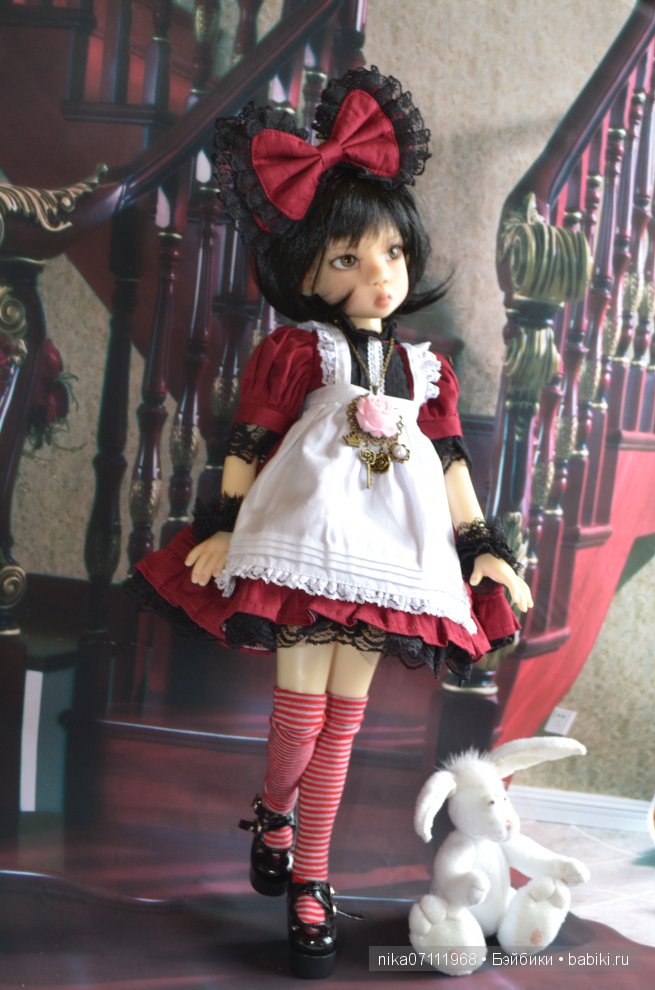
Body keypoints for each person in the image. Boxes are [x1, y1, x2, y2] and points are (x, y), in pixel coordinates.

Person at [127, 65, 533, 979]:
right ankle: (274, 812)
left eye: (389, 253)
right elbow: (249, 439)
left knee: (344, 722)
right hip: (306, 543)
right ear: (308, 271)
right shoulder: (299, 349)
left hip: (393, 556)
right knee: (300, 713)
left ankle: (310, 877)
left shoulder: (428, 369)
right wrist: (222, 526)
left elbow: (452, 463)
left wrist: (482, 548)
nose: (378, 275)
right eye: (348, 260)